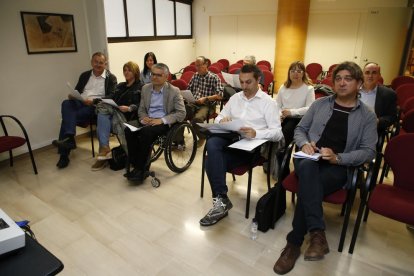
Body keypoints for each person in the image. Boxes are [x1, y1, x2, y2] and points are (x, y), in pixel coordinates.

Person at [273, 61, 377, 275]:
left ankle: (294, 244)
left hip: (338, 165)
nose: (342, 83)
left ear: (359, 83)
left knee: (310, 187)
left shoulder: (367, 116)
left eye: (348, 79)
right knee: (309, 171)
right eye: (338, 78)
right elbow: (300, 129)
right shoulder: (319, 105)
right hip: (308, 157)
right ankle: (317, 233)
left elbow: (368, 152)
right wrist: (304, 143)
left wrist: (338, 157)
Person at [199, 64, 283, 226]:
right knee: (213, 142)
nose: (244, 86)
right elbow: (220, 115)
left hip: (252, 147)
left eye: (248, 82)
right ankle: (221, 200)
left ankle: (220, 203)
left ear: (258, 80)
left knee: (211, 161)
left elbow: (277, 133)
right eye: (241, 82)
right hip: (232, 138)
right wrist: (221, 120)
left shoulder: (268, 103)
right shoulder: (236, 98)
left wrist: (256, 133)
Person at [53, 52, 117, 169]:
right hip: (80, 102)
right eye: (96, 62)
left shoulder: (111, 78)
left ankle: (64, 154)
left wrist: (94, 101)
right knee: (66, 103)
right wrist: (73, 96)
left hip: (95, 106)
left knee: (67, 120)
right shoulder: (85, 75)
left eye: (101, 62)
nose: (98, 64)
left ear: (105, 64)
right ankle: (70, 138)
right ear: (91, 62)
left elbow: (111, 96)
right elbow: (77, 90)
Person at [124, 63, 186, 182]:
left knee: (146, 133)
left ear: (166, 77)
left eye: (158, 75)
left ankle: (141, 169)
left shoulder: (174, 91)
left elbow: (181, 113)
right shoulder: (145, 88)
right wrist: (143, 118)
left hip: (162, 121)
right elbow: (141, 109)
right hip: (147, 119)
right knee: (128, 129)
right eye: (153, 74)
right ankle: (136, 163)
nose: (154, 77)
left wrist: (161, 120)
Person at [91, 61, 143, 171]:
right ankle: (105, 149)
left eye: (129, 70)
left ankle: (104, 151)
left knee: (102, 111)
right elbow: (111, 96)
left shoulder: (141, 87)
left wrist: (129, 108)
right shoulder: (120, 86)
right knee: (103, 113)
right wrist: (101, 99)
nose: (126, 72)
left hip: (128, 117)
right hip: (114, 113)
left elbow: (143, 105)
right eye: (125, 70)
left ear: (135, 72)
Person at [186, 56, 224, 147]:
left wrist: (206, 98)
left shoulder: (214, 77)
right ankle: (178, 141)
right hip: (194, 103)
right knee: (179, 114)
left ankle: (202, 137)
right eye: (196, 66)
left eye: (199, 65)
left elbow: (220, 95)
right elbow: (188, 89)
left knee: (197, 119)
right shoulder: (195, 76)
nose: (197, 68)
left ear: (206, 64)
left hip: (207, 105)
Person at [276, 61, 315, 146]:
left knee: (286, 131)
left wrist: (291, 112)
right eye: (292, 71)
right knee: (271, 129)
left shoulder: (309, 88)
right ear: (289, 73)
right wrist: (279, 115)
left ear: (303, 74)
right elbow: (277, 105)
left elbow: (310, 108)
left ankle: (282, 155)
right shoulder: (283, 87)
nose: (295, 74)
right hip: (283, 116)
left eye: (299, 71)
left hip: (298, 118)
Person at [360, 62, 397, 139]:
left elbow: (391, 117)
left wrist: (378, 121)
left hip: (370, 131)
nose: (370, 76)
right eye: (367, 73)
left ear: (379, 75)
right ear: (362, 75)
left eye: (374, 73)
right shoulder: (352, 90)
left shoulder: (389, 94)